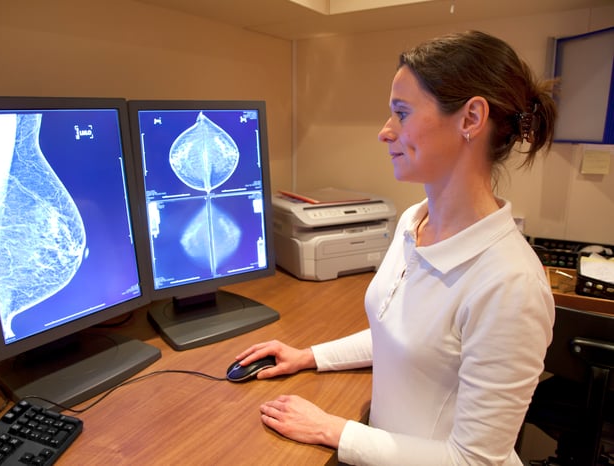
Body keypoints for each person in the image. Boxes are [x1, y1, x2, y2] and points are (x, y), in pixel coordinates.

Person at [235, 30, 557, 465]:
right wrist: (309, 356)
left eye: (402, 113)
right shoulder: (413, 221)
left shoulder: (510, 284)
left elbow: (475, 460)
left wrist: (332, 429)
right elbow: (402, 336)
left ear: (471, 118)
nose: (385, 133)